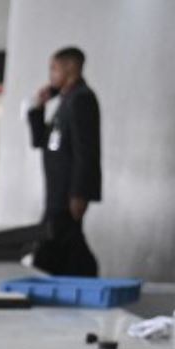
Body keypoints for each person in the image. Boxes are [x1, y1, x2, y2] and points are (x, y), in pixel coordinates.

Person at [28, 46, 102, 276]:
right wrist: (38, 108)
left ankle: (84, 280)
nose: (51, 75)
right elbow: (41, 140)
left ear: (71, 68)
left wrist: (80, 193)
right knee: (58, 247)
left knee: (52, 247)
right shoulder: (65, 101)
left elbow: (86, 149)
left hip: (68, 193)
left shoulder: (82, 99)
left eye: (54, 69)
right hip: (57, 191)